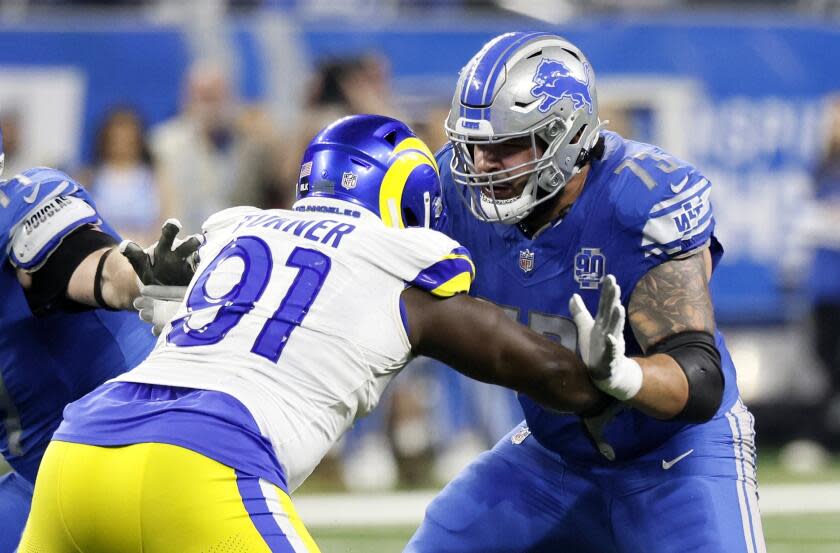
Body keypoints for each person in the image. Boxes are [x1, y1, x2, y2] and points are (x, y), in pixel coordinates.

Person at [18, 115, 609, 552]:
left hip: (78, 454)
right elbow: (523, 361)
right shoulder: (397, 258)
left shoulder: (235, 228)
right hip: (205, 459)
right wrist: (608, 381)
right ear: (408, 197)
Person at [405, 32, 766, 553]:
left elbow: (699, 378)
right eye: (474, 146)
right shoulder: (452, 192)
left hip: (675, 456)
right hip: (554, 456)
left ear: (566, 137)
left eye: (506, 146)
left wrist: (626, 375)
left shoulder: (639, 199)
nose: (482, 166)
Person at [0, 125, 191, 551]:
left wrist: (143, 280)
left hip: (129, 457)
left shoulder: (18, 214)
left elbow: (99, 270)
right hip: (46, 482)